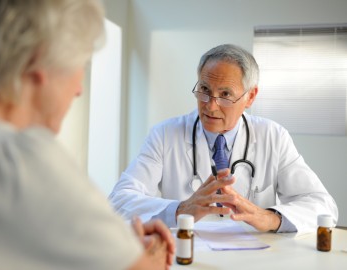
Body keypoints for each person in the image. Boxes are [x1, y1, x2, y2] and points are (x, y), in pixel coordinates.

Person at [0, 0, 174, 269]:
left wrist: (104, 247)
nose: (79, 88)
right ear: (40, 60)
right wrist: (147, 258)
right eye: (81, 65)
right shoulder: (18, 158)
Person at [109, 44, 338, 234]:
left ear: (250, 97)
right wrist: (180, 209)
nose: (210, 105)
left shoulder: (273, 136)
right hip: (188, 254)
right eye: (204, 89)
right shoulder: (164, 135)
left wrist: (268, 217)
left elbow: (323, 206)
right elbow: (119, 201)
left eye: (225, 94)